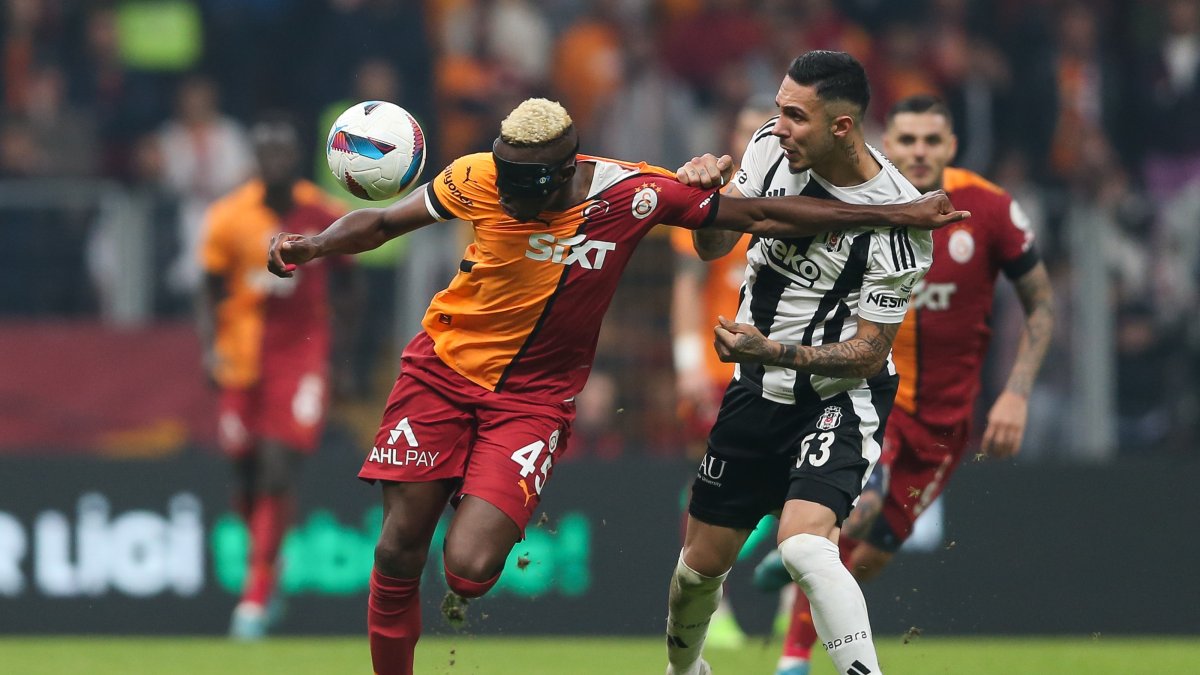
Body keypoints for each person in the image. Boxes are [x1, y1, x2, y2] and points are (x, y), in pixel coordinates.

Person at [265, 97, 966, 675]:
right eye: (503, 179)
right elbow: (386, 221)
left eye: (524, 185)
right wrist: (316, 243)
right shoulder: (476, 175)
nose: (507, 195)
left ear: (566, 169)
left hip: (531, 401)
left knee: (469, 570)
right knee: (395, 547)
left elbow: (756, 216)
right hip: (440, 374)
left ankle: (479, 488)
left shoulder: (632, 192)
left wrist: (895, 213)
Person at [755, 94, 1056, 675]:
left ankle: (797, 572)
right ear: (885, 144)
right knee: (857, 511)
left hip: (948, 419)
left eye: (931, 140)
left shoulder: (991, 209)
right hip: (875, 395)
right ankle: (792, 660)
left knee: (873, 552)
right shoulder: (858, 202)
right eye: (907, 139)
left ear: (951, 146)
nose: (919, 152)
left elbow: (1041, 303)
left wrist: (1017, 390)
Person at [665, 51, 934, 675]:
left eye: (793, 114)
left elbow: (870, 352)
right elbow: (712, 249)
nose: (777, 125)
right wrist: (704, 202)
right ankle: (684, 670)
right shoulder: (768, 149)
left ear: (841, 126)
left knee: (806, 549)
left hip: (841, 395)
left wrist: (777, 350)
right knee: (698, 569)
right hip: (754, 390)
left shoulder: (901, 220)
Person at [197, 116, 360, 640]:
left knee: (275, 465)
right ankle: (270, 567)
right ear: (255, 159)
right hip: (242, 356)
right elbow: (207, 286)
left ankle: (255, 595)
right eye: (264, 151)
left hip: (302, 357)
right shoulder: (229, 216)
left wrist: (346, 356)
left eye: (283, 151)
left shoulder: (323, 213)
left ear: (297, 157)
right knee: (244, 473)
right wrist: (208, 351)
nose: (274, 161)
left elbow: (352, 284)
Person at [669, 95, 779, 650]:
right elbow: (687, 286)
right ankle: (714, 603)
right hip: (718, 369)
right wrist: (688, 362)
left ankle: (785, 598)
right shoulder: (713, 192)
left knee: (788, 487)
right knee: (710, 486)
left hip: (780, 364)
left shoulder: (795, 192)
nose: (753, 139)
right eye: (744, 129)